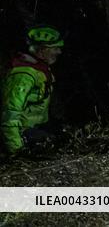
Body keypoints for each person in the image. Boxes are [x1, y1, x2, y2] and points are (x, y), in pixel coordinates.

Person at [2, 26, 64, 157]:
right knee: (47, 143)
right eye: (55, 48)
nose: (59, 52)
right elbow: (9, 113)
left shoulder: (40, 69)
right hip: (22, 132)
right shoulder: (24, 76)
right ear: (42, 51)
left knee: (63, 135)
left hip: (35, 127)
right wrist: (17, 150)